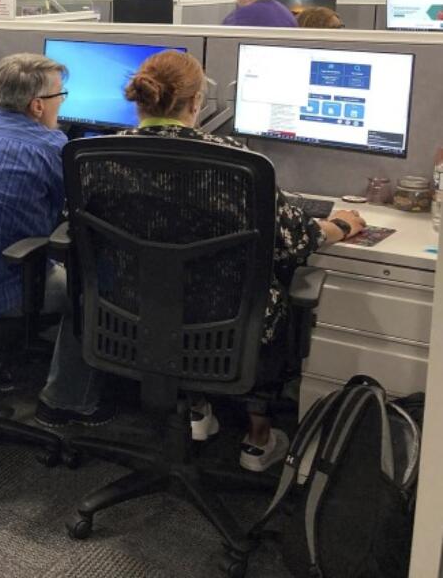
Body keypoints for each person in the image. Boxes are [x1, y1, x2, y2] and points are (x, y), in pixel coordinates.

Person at [115, 50, 364, 471]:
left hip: (133, 317)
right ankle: (257, 438)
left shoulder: (103, 155)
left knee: (189, 282)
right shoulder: (234, 163)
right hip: (224, 325)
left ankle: (197, 412)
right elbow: (292, 241)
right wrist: (341, 224)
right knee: (273, 282)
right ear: (196, 103)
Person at [0, 54, 114, 423]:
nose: (63, 104)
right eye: (61, 96)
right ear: (38, 105)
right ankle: (67, 401)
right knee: (93, 291)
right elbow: (86, 212)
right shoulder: (51, 147)